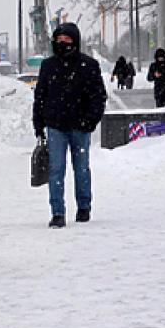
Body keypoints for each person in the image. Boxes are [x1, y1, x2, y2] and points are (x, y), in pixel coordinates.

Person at [33, 22, 107, 229]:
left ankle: (84, 207)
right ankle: (57, 212)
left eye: (67, 39)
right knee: (56, 170)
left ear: (75, 41)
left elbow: (98, 97)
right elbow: (40, 97)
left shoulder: (89, 65)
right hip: (56, 126)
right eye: (59, 39)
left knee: (81, 168)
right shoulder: (48, 66)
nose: (62, 42)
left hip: (81, 127)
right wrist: (39, 124)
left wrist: (90, 120)